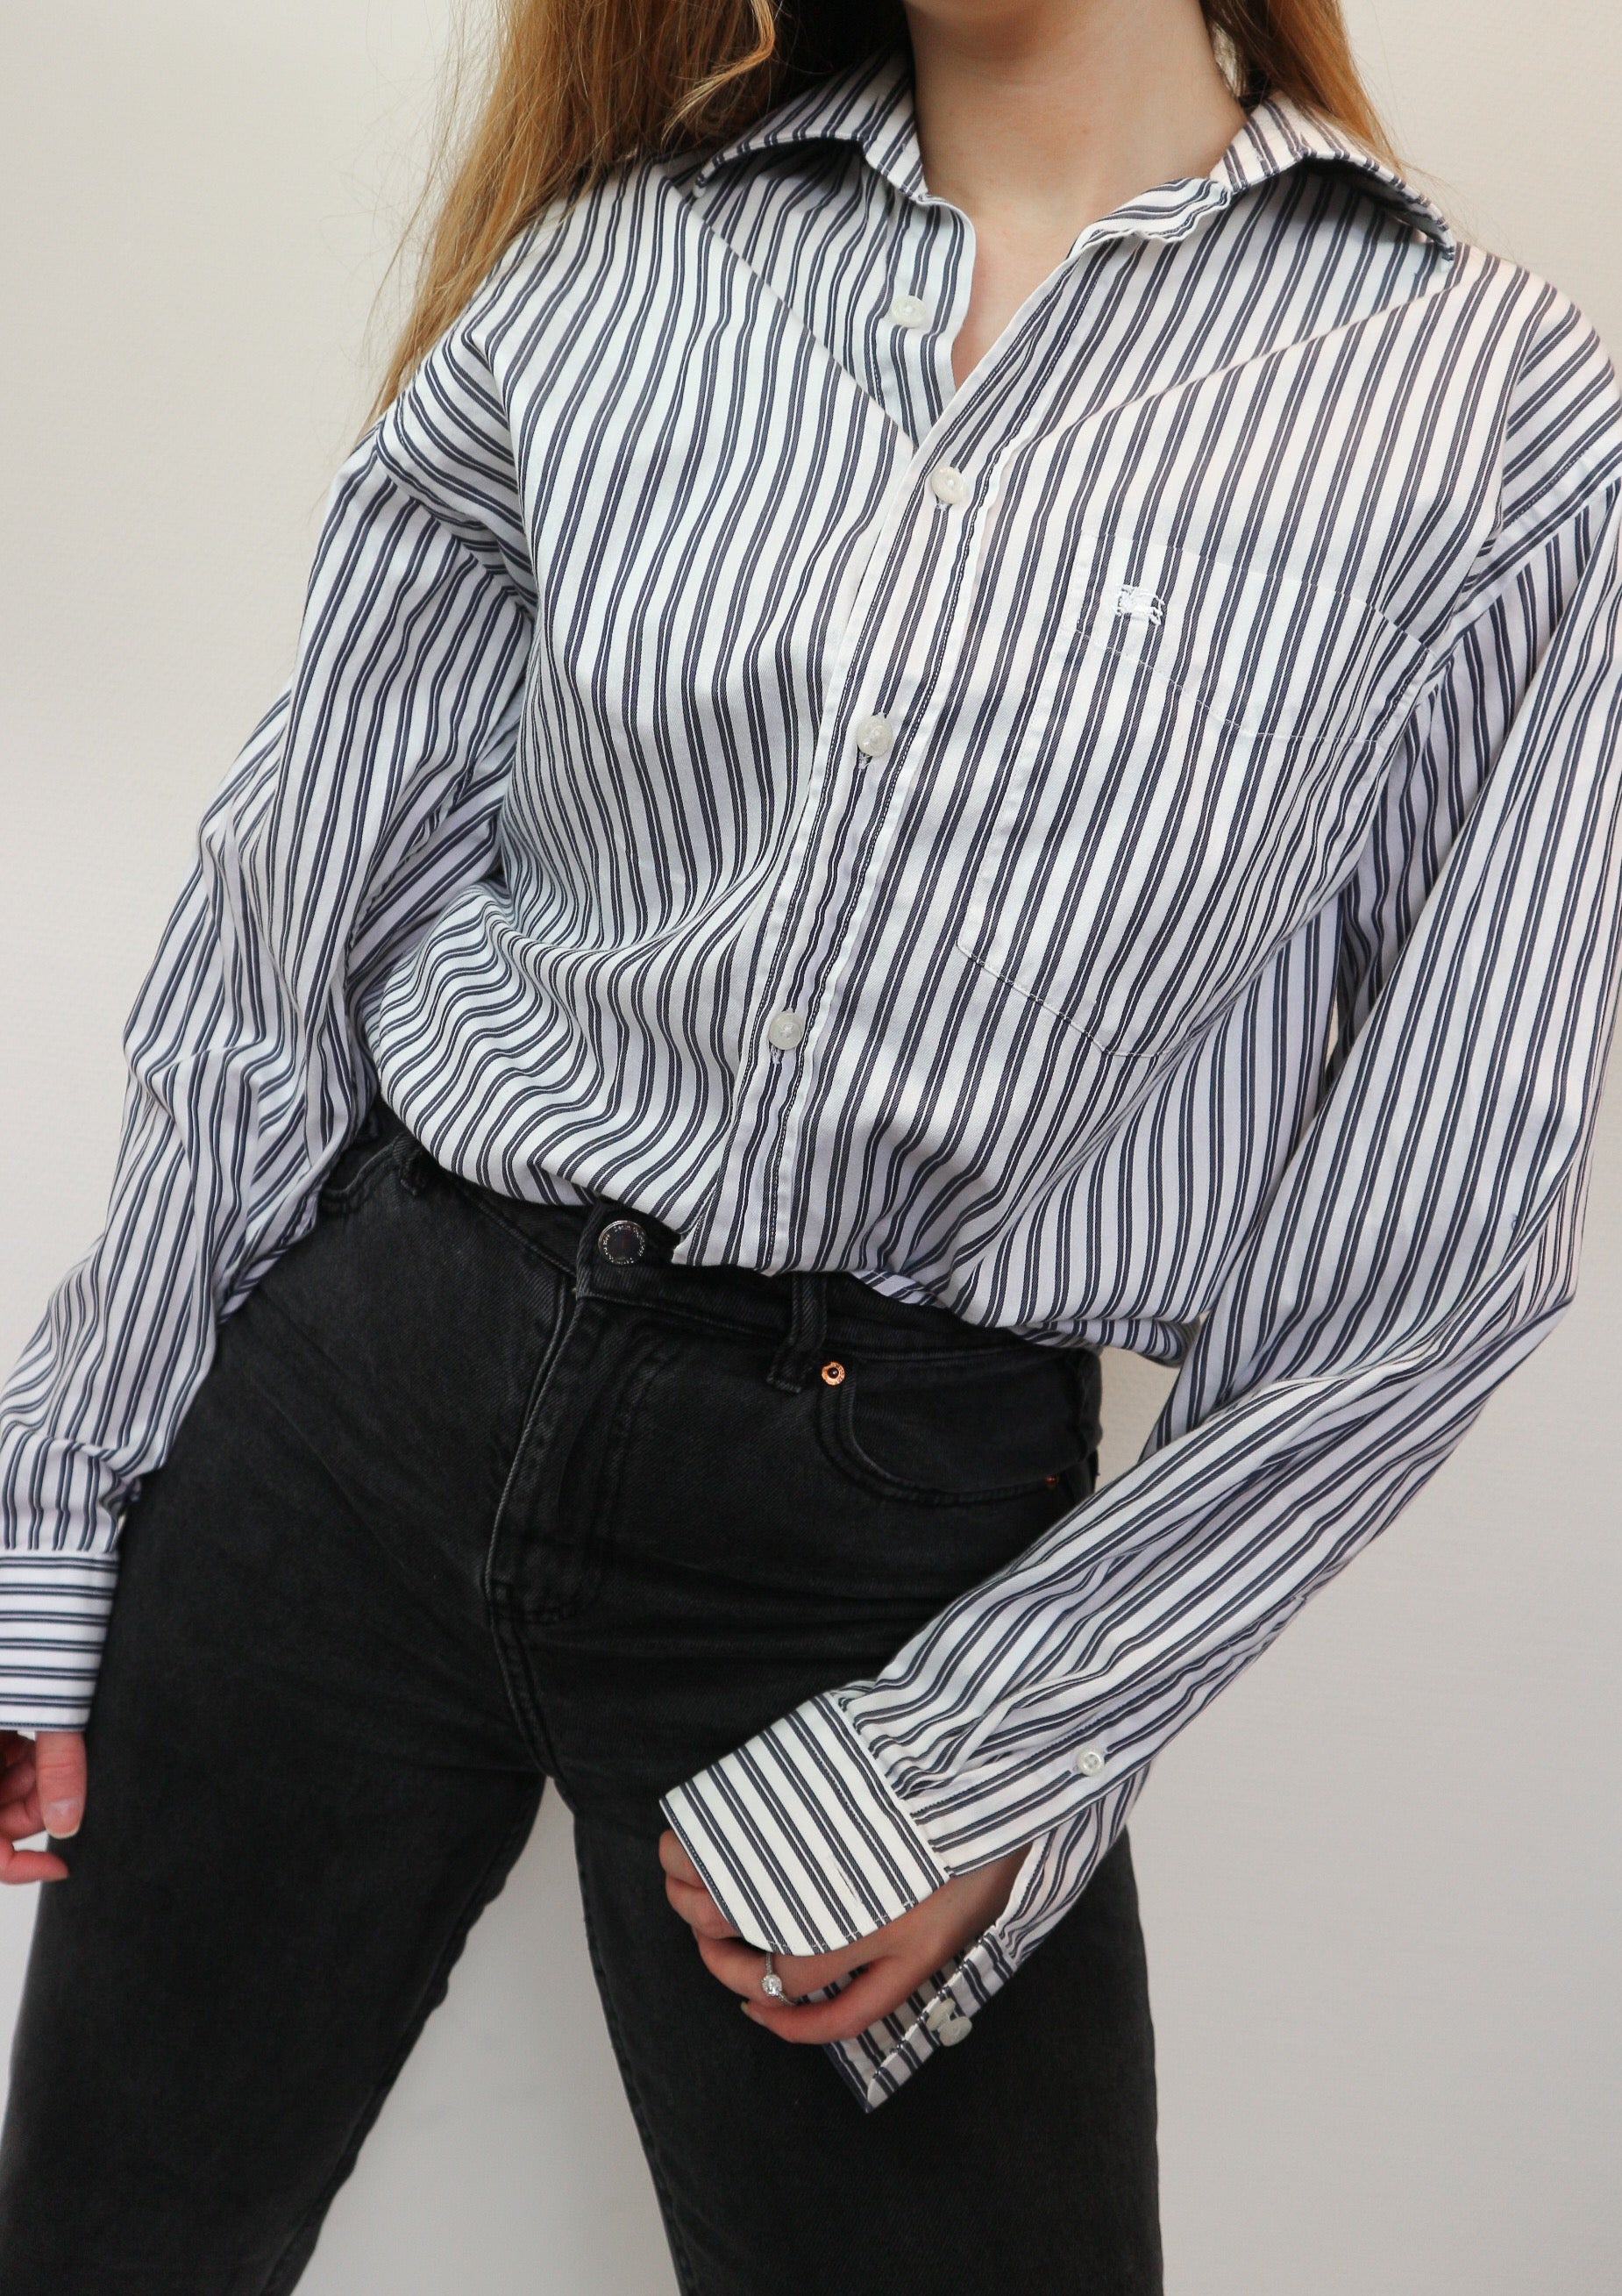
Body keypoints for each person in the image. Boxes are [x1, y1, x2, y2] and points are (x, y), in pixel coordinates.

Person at [1, 0, 1619, 2287]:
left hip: (875, 1563)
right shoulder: (614, 269)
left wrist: (996, 1742)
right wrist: (60, 1499)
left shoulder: (1493, 411)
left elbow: (1440, 1220)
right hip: (356, 1407)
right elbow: (285, 935)